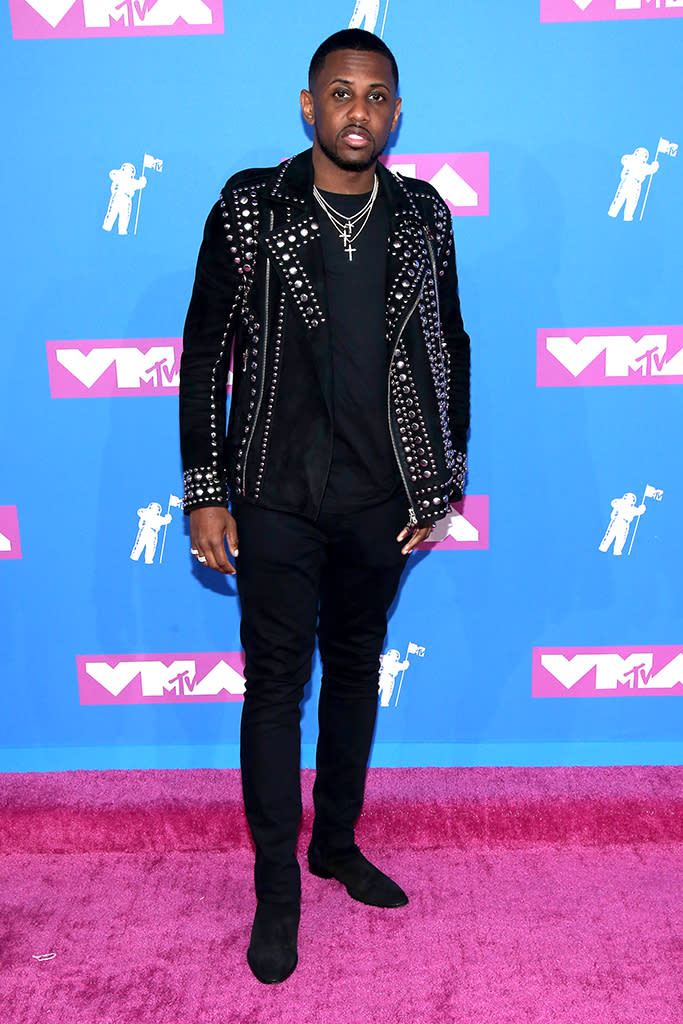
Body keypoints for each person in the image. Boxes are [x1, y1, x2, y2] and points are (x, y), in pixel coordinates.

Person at [179, 28, 470, 984]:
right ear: (308, 106)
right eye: (340, 94)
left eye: (377, 95)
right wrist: (206, 493)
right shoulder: (252, 206)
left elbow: (448, 348)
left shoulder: (424, 215)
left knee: (352, 672)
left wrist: (440, 481)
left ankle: (333, 845)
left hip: (379, 499)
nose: (358, 112)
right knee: (274, 689)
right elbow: (201, 356)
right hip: (272, 494)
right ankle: (276, 886)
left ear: (396, 109)